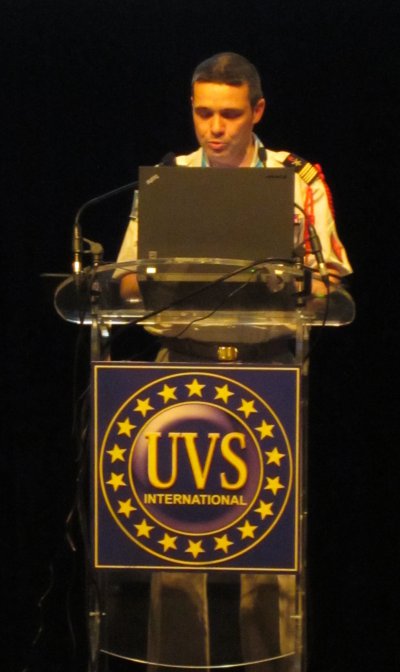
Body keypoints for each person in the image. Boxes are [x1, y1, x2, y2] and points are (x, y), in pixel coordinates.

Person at [115, 53, 352, 671]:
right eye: (203, 114)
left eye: (229, 114)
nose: (214, 128)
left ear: (258, 111)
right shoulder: (168, 180)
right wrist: (172, 272)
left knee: (267, 549)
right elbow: (124, 283)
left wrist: (281, 281)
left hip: (268, 367)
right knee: (175, 543)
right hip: (181, 366)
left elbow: (330, 282)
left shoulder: (296, 179)